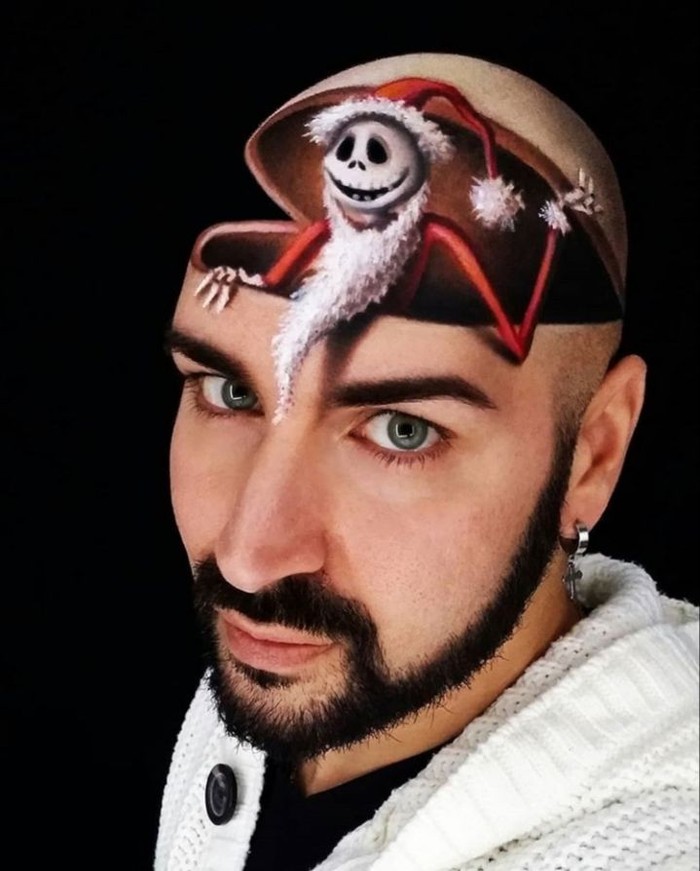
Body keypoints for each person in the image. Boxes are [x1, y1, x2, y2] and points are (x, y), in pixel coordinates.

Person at [154, 52, 699, 870]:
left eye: (402, 430)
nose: (248, 557)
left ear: (594, 455)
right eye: (230, 393)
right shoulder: (299, 659)